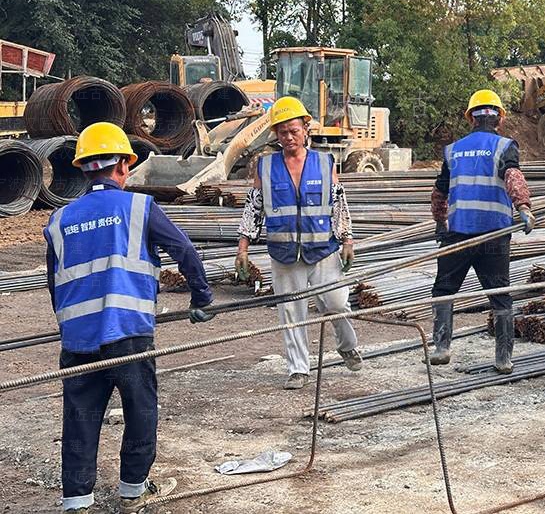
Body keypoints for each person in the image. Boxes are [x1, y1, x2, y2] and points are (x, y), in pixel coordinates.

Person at [44, 123, 215, 513]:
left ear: (84, 168)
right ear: (124, 164)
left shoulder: (59, 220)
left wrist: (68, 324)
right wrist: (201, 298)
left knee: (80, 419)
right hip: (129, 334)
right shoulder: (140, 207)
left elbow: (55, 283)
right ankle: (133, 490)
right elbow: (184, 251)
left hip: (79, 339)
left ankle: (76, 500)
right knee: (140, 411)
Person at [234, 96, 362, 390]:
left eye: (294, 130)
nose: (289, 137)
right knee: (291, 312)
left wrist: (347, 238)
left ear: (306, 129)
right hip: (284, 252)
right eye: (282, 132)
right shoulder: (265, 167)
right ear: (276, 135)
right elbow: (253, 207)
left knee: (337, 303)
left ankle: (347, 345)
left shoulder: (324, 162)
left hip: (323, 250)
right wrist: (243, 246)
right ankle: (298, 369)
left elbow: (338, 203)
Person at [429, 89, 535, 374]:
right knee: (500, 294)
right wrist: (523, 207)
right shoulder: (504, 146)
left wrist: (440, 222)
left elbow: (440, 191)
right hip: (494, 235)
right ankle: (503, 358)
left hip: (459, 233)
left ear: (470, 119)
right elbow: (513, 175)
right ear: (499, 118)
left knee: (444, 289)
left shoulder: (454, 150)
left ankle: (441, 347)